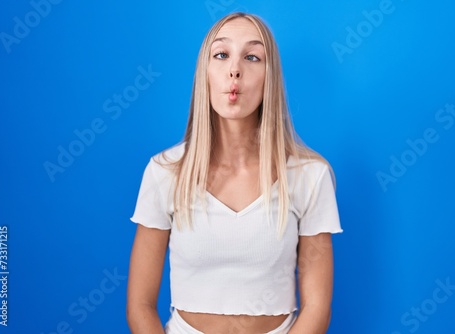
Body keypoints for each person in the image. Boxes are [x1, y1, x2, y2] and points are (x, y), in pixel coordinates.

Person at [126, 12, 342, 334]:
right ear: (205, 73)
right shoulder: (165, 172)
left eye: (252, 57)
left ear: (270, 77)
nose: (234, 70)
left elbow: (317, 308)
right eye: (222, 54)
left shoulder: (310, 175)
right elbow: (140, 306)